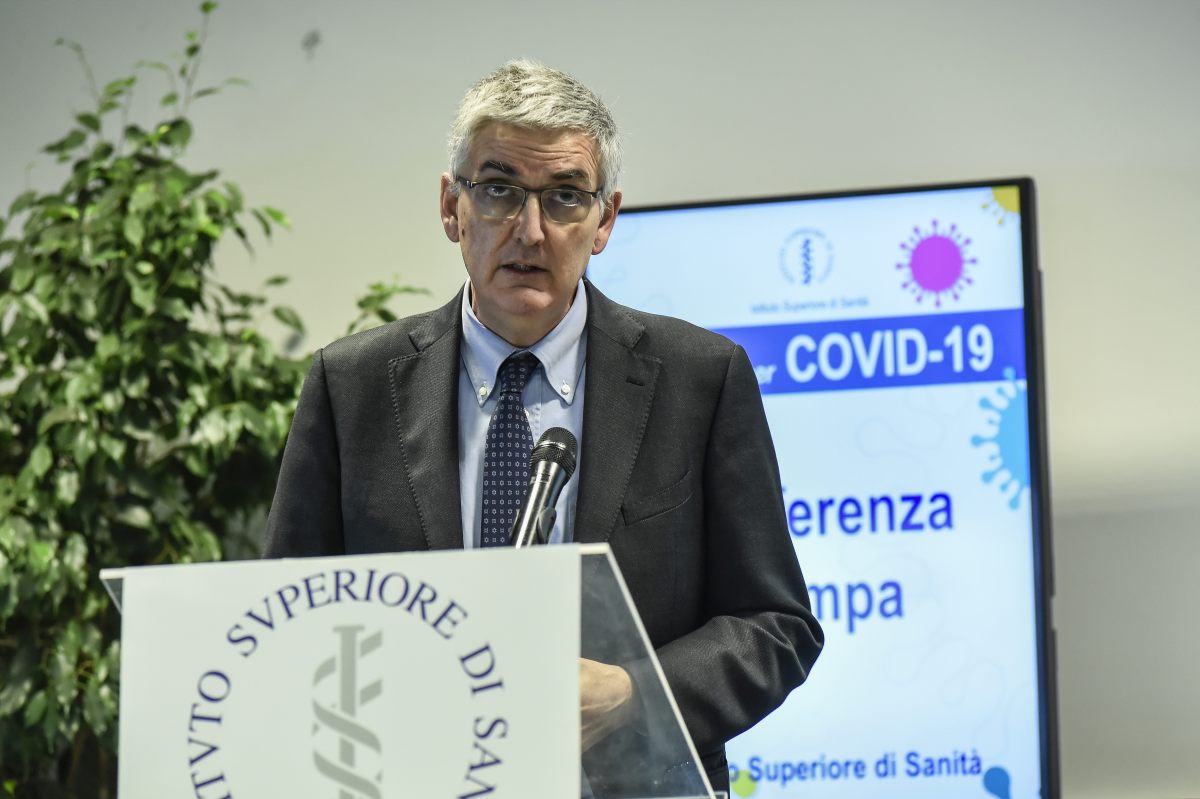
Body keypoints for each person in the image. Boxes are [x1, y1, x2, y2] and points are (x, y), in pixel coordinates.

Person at [263, 59, 822, 795]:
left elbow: (776, 624)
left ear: (604, 220)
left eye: (564, 197)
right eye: (498, 190)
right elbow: (286, 625)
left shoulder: (699, 378)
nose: (530, 231)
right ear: (451, 206)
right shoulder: (351, 387)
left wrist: (637, 694)